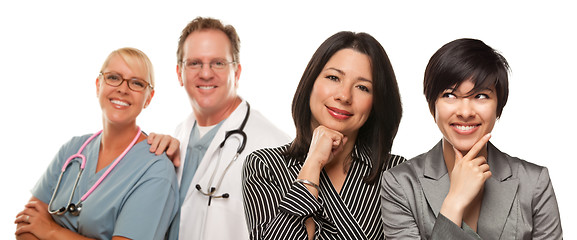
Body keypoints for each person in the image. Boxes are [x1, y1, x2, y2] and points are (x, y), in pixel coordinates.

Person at [380, 38, 563, 239]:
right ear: (433, 105)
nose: (465, 112)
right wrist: (454, 202)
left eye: (481, 96)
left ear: (498, 105)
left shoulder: (534, 183)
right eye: (450, 95)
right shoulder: (401, 184)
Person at [242, 31, 406, 240]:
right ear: (311, 83)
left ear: (376, 102)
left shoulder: (396, 173)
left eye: (363, 87)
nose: (344, 96)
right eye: (333, 77)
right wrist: (312, 165)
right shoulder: (264, 166)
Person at [14, 47, 179, 239]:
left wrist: (50, 231)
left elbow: (39, 227)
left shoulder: (156, 170)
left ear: (148, 98)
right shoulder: (73, 149)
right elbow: (26, 224)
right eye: (113, 77)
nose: (123, 89)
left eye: (136, 83)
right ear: (98, 85)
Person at [148, 17, 290, 240]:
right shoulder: (178, 135)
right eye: (194, 63)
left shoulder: (277, 148)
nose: (206, 74)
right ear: (179, 73)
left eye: (218, 63)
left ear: (237, 72)